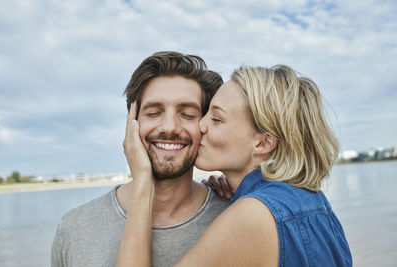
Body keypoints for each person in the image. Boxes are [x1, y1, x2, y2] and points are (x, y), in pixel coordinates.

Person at [117, 65, 352, 266]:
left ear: (263, 142)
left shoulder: (253, 215)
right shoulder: (315, 202)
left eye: (216, 119)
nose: (201, 125)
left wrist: (142, 185)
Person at [51, 51, 230, 267]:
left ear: (205, 125)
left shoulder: (233, 216)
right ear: (131, 122)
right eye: (154, 112)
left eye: (188, 114)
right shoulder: (74, 228)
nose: (169, 127)